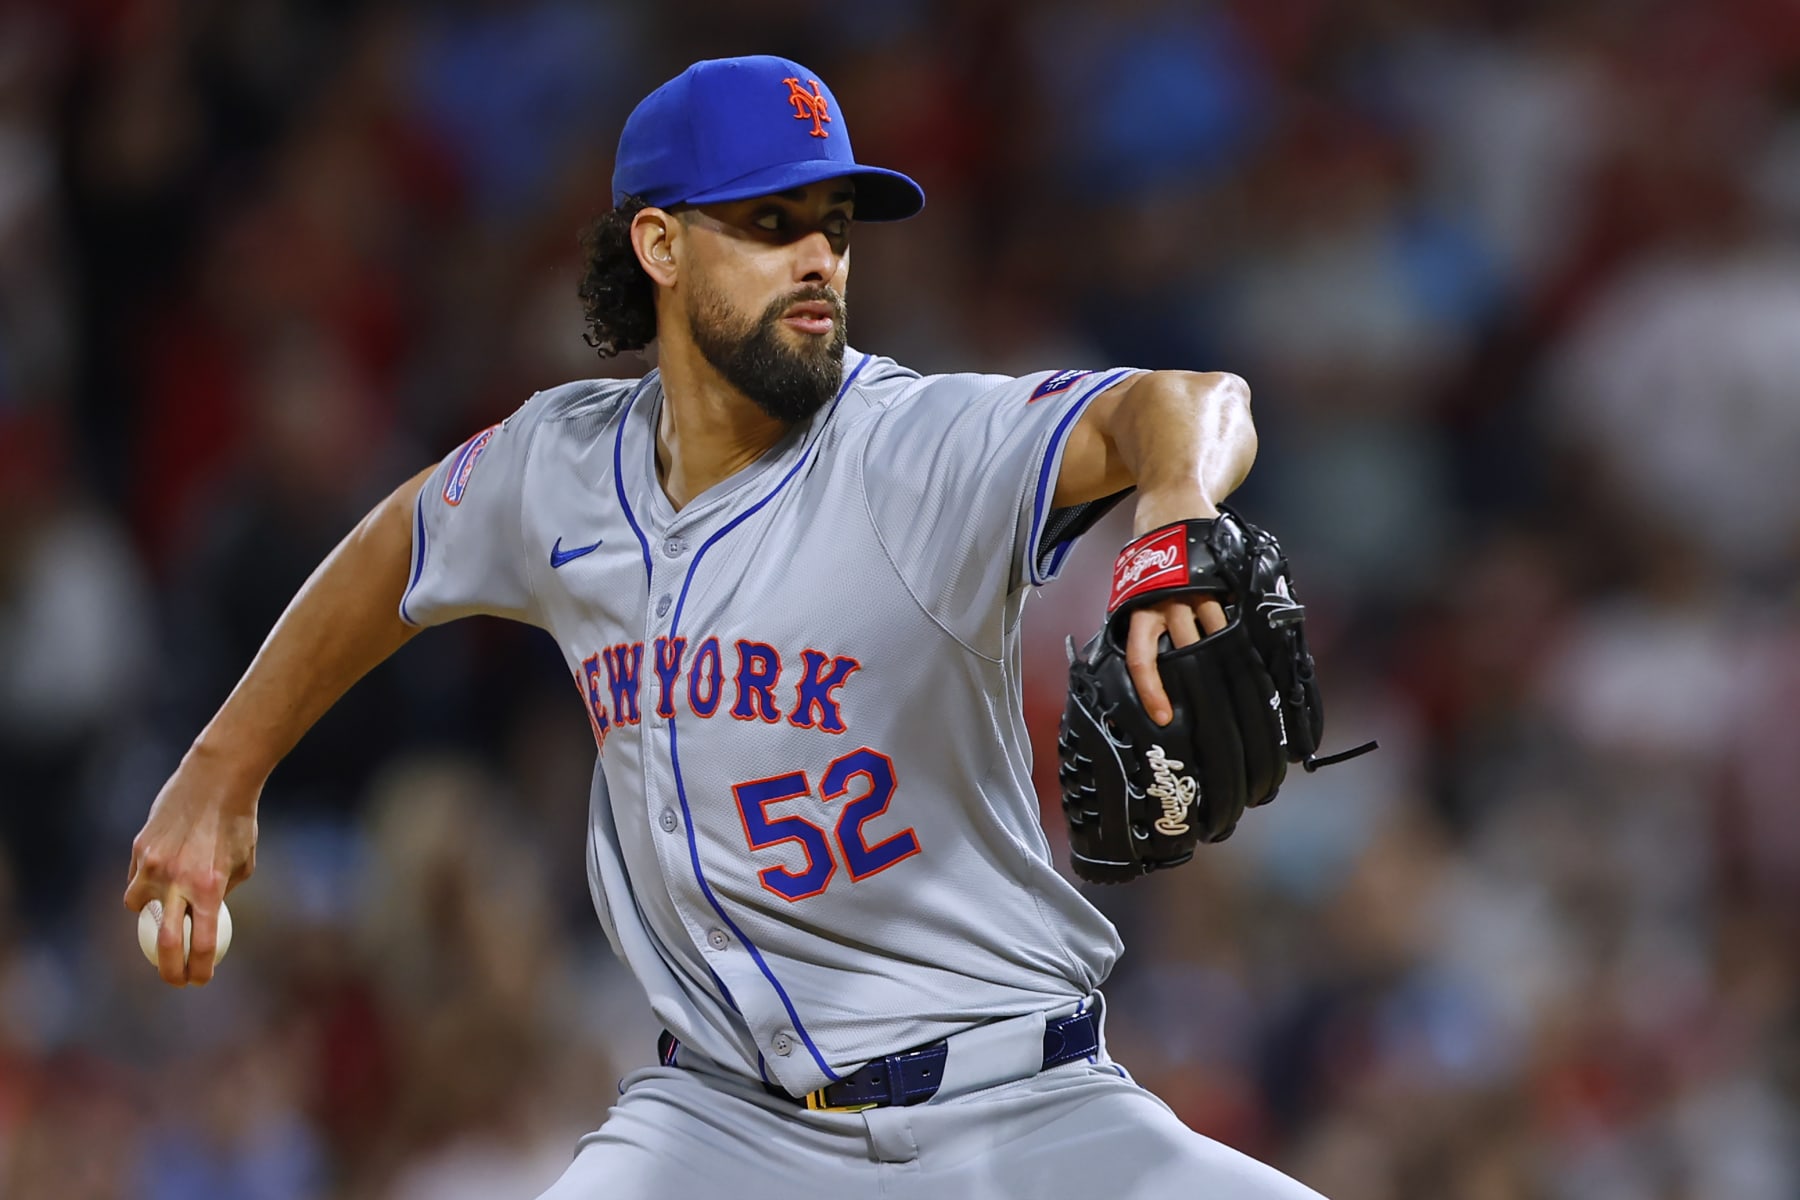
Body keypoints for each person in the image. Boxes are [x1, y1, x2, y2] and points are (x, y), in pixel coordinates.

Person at [125, 55, 1324, 1198]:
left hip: (1016, 1106)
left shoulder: (911, 446)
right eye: (770, 223)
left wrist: (1173, 505)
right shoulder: (562, 465)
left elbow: (1187, 404)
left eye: (836, 229)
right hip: (720, 1124)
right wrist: (221, 770)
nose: (819, 261)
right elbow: (400, 545)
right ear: (658, 243)